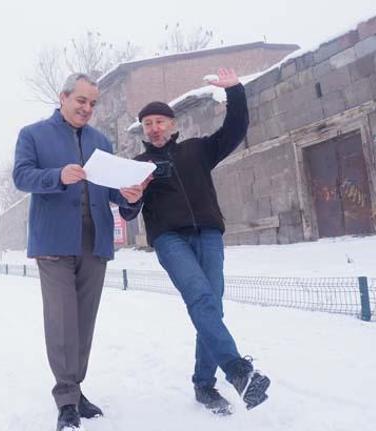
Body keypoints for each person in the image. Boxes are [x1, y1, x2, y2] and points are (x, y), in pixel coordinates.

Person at [120, 68, 271, 415]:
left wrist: (235, 91)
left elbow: (235, 130)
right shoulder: (137, 165)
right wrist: (130, 197)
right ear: (143, 131)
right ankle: (238, 371)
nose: (154, 128)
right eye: (147, 124)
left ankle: (204, 385)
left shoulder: (198, 150)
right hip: (169, 239)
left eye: (160, 121)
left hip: (208, 234)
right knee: (200, 297)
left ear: (173, 124)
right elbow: (127, 212)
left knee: (211, 307)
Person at [13, 72, 144, 430]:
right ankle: (66, 397)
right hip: (54, 242)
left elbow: (114, 189)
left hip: (94, 242)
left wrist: (131, 197)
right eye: (81, 101)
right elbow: (22, 176)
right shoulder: (33, 135)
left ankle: (76, 387)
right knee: (61, 321)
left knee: (84, 321)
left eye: (92, 103)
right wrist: (57, 176)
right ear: (63, 97)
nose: (87, 108)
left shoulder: (101, 141)